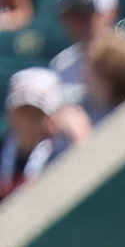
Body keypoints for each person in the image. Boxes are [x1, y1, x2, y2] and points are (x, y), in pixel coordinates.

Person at [0, 67, 74, 202]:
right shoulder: (3, 150)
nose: (27, 120)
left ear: (52, 117)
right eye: (21, 111)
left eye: (36, 113)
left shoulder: (61, 158)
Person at [48, 0, 119, 107]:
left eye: (85, 12)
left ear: (112, 12)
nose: (77, 20)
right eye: (70, 13)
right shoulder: (61, 64)